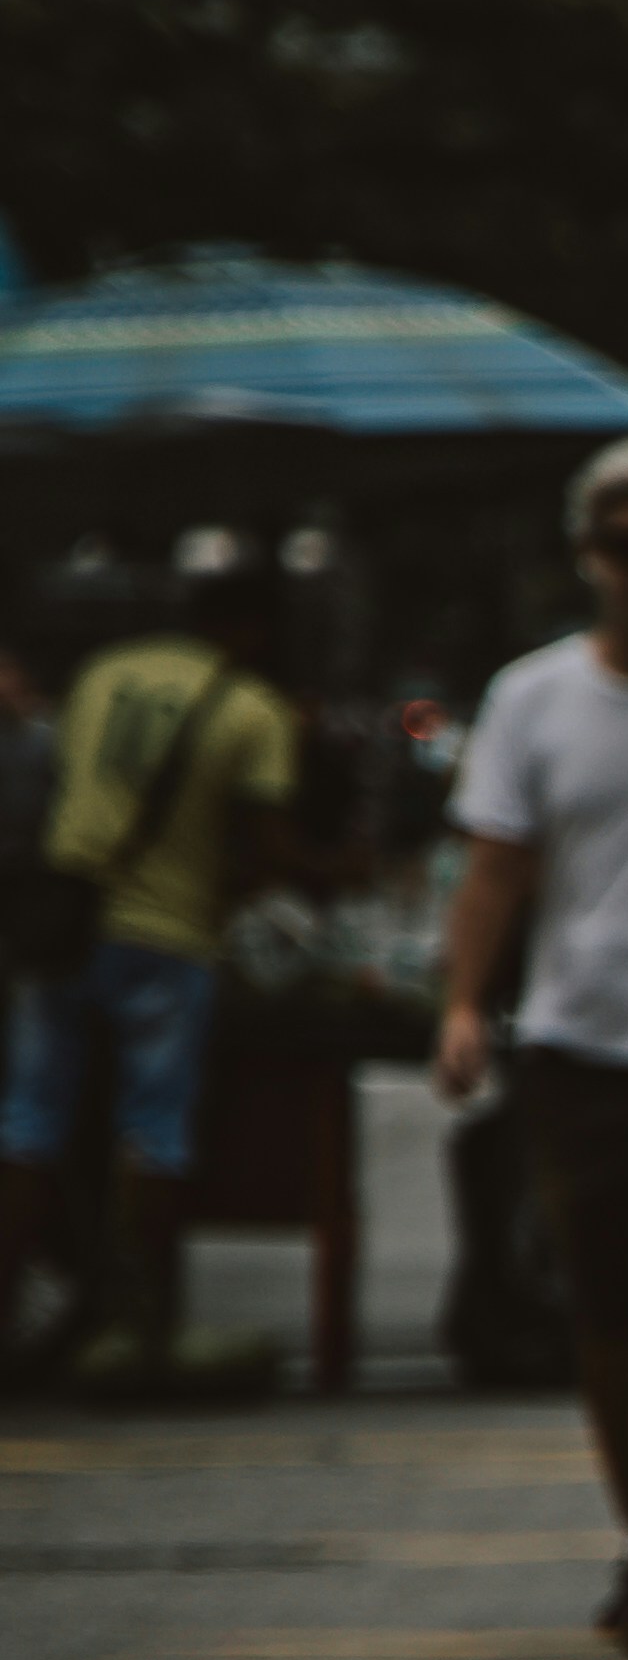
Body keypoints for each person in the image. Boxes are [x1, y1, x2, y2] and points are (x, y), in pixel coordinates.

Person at [434, 431, 628, 1653]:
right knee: (604, 1308)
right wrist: (462, 1004)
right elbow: (494, 871)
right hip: (576, 1042)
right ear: (588, 556)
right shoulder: (533, 698)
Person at [0, 530, 312, 1391]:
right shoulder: (252, 708)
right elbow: (269, 848)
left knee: (28, 1123)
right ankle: (142, 1317)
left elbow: (56, 781)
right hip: (167, 935)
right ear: (250, 626)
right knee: (157, 1128)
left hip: (62, 921)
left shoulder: (105, 673)